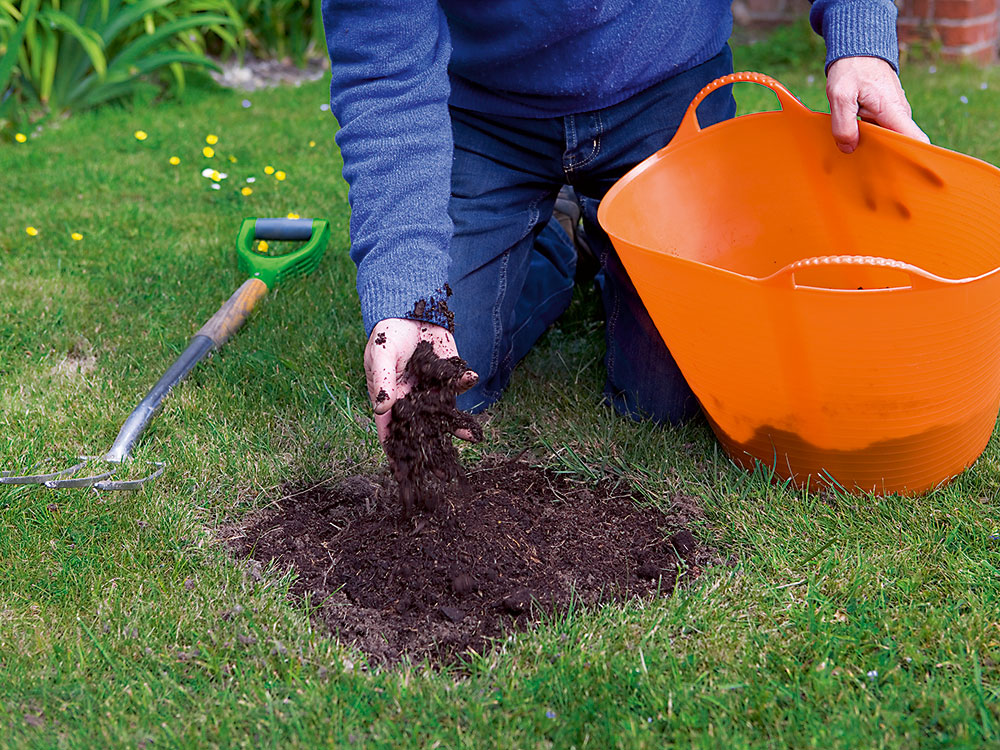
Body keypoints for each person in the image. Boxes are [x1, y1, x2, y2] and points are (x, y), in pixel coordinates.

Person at [321, 0, 929, 452]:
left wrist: (861, 39)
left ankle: (619, 233)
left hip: (665, 96)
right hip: (486, 114)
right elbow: (385, 73)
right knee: (442, 380)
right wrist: (407, 298)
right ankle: (559, 244)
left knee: (665, 403)